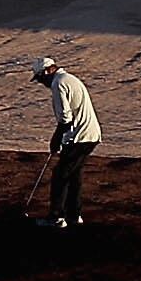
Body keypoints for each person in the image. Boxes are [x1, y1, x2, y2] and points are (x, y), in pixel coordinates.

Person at [32, 56, 101, 228]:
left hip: (80, 136)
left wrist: (56, 139)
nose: (42, 83)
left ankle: (56, 217)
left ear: (48, 71)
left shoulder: (59, 83)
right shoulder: (69, 79)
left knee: (60, 176)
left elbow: (65, 118)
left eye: (40, 78)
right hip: (88, 135)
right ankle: (74, 216)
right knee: (73, 175)